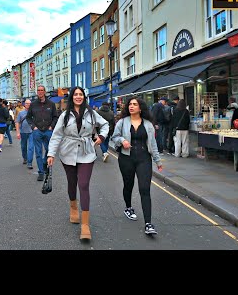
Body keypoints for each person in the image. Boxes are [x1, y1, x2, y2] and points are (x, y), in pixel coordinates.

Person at [47, 86, 109, 241]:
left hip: (87, 152)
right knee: (72, 182)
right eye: (76, 94)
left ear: (84, 97)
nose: (78, 97)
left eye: (81, 94)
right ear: (71, 97)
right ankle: (73, 207)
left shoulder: (92, 113)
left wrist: (101, 137)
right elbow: (56, 136)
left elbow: (105, 124)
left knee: (83, 184)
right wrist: (51, 154)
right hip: (68, 152)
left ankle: (85, 225)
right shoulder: (65, 115)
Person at [111, 96, 163, 235]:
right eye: (130, 104)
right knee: (128, 185)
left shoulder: (148, 125)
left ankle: (148, 223)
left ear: (140, 108)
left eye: (134, 104)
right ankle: (128, 207)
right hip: (126, 158)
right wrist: (122, 140)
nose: (131, 106)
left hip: (144, 159)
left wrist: (157, 161)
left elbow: (153, 144)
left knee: (144, 189)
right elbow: (114, 137)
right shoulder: (122, 122)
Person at [26, 85, 59, 181]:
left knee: (49, 150)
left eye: (42, 90)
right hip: (37, 131)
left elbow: (55, 117)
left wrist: (51, 126)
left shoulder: (51, 104)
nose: (40, 92)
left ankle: (44, 163)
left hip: (48, 131)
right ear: (37, 92)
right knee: (38, 152)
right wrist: (33, 127)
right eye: (38, 90)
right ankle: (41, 172)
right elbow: (28, 117)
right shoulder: (33, 104)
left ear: (45, 92)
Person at [15, 99, 35, 169]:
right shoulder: (21, 113)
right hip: (23, 132)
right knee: (23, 147)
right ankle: (25, 158)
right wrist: (17, 132)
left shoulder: (34, 113)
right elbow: (17, 122)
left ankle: (29, 162)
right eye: (27, 103)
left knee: (31, 147)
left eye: (29, 103)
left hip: (32, 132)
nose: (28, 105)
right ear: (24, 104)